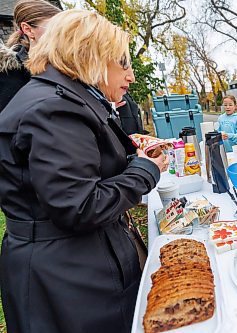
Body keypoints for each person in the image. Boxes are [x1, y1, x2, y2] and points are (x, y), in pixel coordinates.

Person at [0, 10, 167, 333]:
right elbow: (79, 205)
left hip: (72, 269)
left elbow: (85, 173)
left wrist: (131, 161)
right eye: (122, 63)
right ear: (91, 57)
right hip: (67, 283)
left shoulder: (62, 99)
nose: (130, 76)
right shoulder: (54, 108)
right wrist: (145, 170)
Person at [0, 0, 60, 112]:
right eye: (54, 28)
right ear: (28, 29)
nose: (62, 34)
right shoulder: (10, 77)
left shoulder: (65, 69)